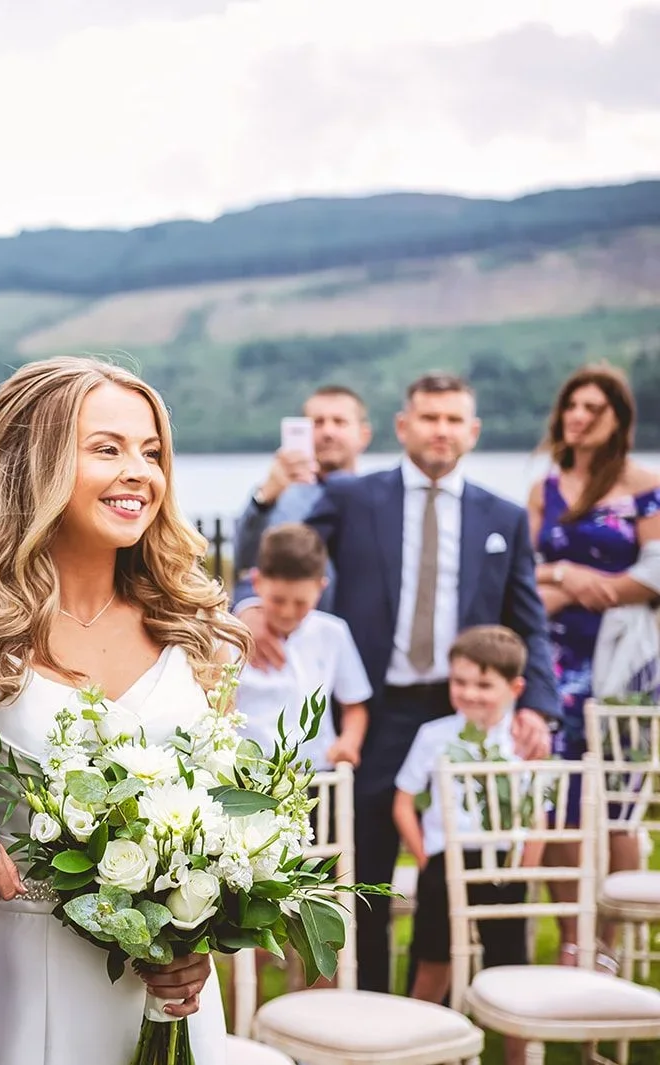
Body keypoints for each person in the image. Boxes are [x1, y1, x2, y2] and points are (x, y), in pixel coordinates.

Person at [0, 356, 244, 1065]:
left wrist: (198, 933)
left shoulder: (196, 630)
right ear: (39, 465)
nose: (139, 472)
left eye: (151, 452)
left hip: (164, 989)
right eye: (107, 448)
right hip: (22, 978)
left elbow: (225, 816)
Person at [238, 371, 555, 993]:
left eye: (454, 418)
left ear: (473, 431)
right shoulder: (357, 498)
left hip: (464, 714)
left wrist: (539, 706)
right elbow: (283, 552)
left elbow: (530, 622)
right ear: (404, 426)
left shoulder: (506, 518)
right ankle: (369, 1016)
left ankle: (459, 1014)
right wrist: (249, 604)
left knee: (475, 871)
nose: (441, 429)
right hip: (376, 711)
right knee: (366, 877)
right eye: (429, 417)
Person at [527, 364, 660, 966]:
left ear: (618, 419)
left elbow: (654, 574)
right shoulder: (545, 489)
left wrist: (594, 586)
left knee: (617, 805)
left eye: (593, 408)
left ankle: (613, 942)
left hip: (625, 668)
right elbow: (527, 578)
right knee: (558, 805)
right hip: (557, 664)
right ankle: (572, 940)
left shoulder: (645, 485)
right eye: (571, 406)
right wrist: (565, 576)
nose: (578, 417)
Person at [392, 625, 530, 1065]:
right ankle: (422, 1051)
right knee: (433, 962)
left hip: (504, 868)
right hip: (444, 864)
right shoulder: (435, 735)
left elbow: (536, 817)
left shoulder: (523, 744)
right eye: (460, 682)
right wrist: (426, 855)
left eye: (484, 684)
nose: (469, 693)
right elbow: (404, 802)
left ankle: (516, 1056)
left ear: (515, 688)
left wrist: (525, 867)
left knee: (510, 971)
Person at [235, 523, 371, 770]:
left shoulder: (333, 633)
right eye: (277, 600)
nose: (287, 612)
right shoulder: (231, 636)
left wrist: (348, 742)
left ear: (321, 587)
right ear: (257, 582)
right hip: (248, 777)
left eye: (300, 603)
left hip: (315, 774)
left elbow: (354, 706)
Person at [230, 385, 373, 607]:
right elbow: (246, 564)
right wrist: (266, 497)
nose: (328, 432)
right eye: (318, 422)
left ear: (364, 435)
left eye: (339, 422)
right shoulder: (281, 498)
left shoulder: (377, 499)